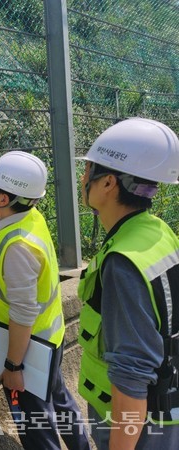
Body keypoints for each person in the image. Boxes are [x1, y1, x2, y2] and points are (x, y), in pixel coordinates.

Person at [0, 146, 91, 450]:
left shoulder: (18, 248)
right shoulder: (29, 214)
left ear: (4, 199)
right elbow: (16, 183)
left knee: (35, 423)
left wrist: (13, 366)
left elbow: (22, 313)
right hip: (50, 338)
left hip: (29, 348)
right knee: (59, 401)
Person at [76, 117, 179, 449]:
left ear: (108, 183)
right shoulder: (155, 230)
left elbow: (131, 381)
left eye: (88, 170)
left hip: (142, 430)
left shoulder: (122, 264)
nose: (82, 179)